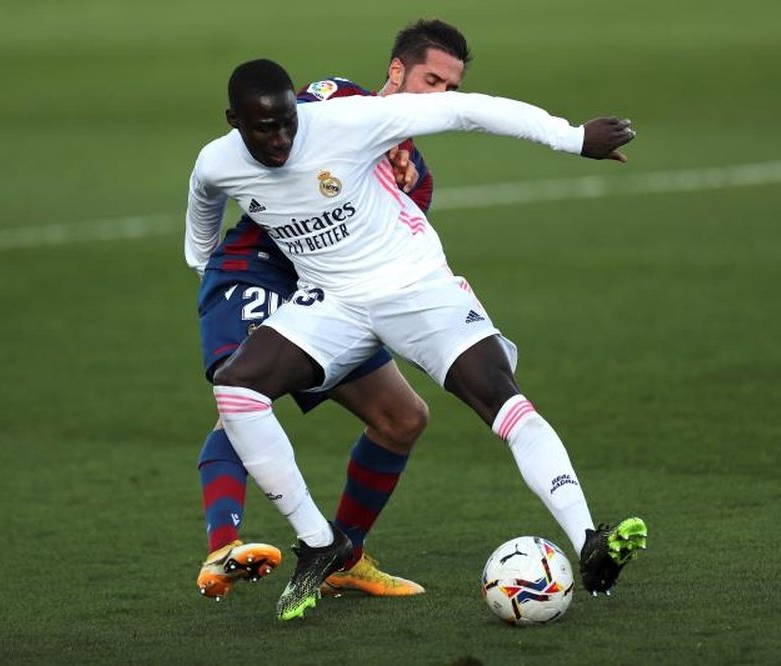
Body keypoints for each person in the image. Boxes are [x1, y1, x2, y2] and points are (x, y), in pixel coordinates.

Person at [185, 58, 648, 621]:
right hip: (332, 302)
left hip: (415, 287)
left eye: (289, 123)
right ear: (234, 121)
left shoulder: (345, 121)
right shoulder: (216, 163)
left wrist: (573, 138)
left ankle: (589, 540)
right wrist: (204, 259)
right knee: (237, 390)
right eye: (265, 129)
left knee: (501, 397)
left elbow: (464, 110)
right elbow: (203, 225)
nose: (282, 139)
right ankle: (319, 542)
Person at [191, 20, 471, 601]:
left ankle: (344, 555)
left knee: (403, 418)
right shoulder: (336, 100)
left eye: (451, 89)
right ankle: (222, 546)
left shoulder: (417, 182)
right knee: (243, 398)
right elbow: (283, 142)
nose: (439, 99)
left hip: (332, 300)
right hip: (260, 268)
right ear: (396, 72)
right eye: (431, 81)